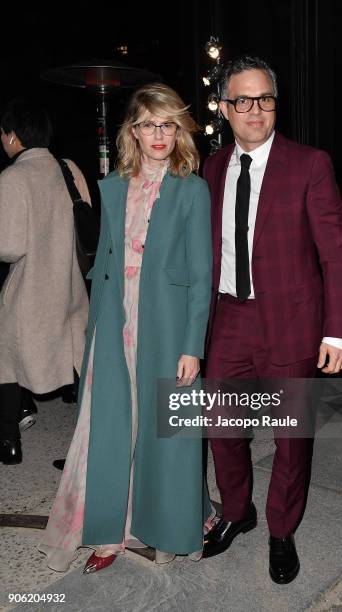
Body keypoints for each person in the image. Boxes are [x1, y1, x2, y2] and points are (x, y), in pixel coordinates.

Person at [39, 83, 213, 573]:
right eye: (148, 124)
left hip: (168, 324)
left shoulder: (192, 189)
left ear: (178, 130)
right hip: (116, 322)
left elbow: (202, 277)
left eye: (167, 124)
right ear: (132, 132)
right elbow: (107, 263)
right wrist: (93, 330)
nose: (158, 134)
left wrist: (192, 346)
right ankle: (108, 531)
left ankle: (172, 524)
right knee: (113, 427)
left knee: (169, 431)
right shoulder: (112, 186)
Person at [202, 56, 342, 584]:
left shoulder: (310, 163)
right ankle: (237, 511)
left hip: (292, 323)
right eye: (243, 100)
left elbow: (335, 253)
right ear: (225, 108)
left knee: (291, 439)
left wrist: (337, 331)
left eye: (265, 98)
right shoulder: (213, 167)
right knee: (222, 428)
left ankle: (281, 530)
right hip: (229, 318)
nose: (256, 110)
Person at [0, 99, 90, 464]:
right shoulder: (68, 168)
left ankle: (8, 442)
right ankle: (89, 444)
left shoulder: (13, 177)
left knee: (6, 362)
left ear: (14, 137)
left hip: (31, 290)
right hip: (70, 286)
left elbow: (10, 246)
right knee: (80, 364)